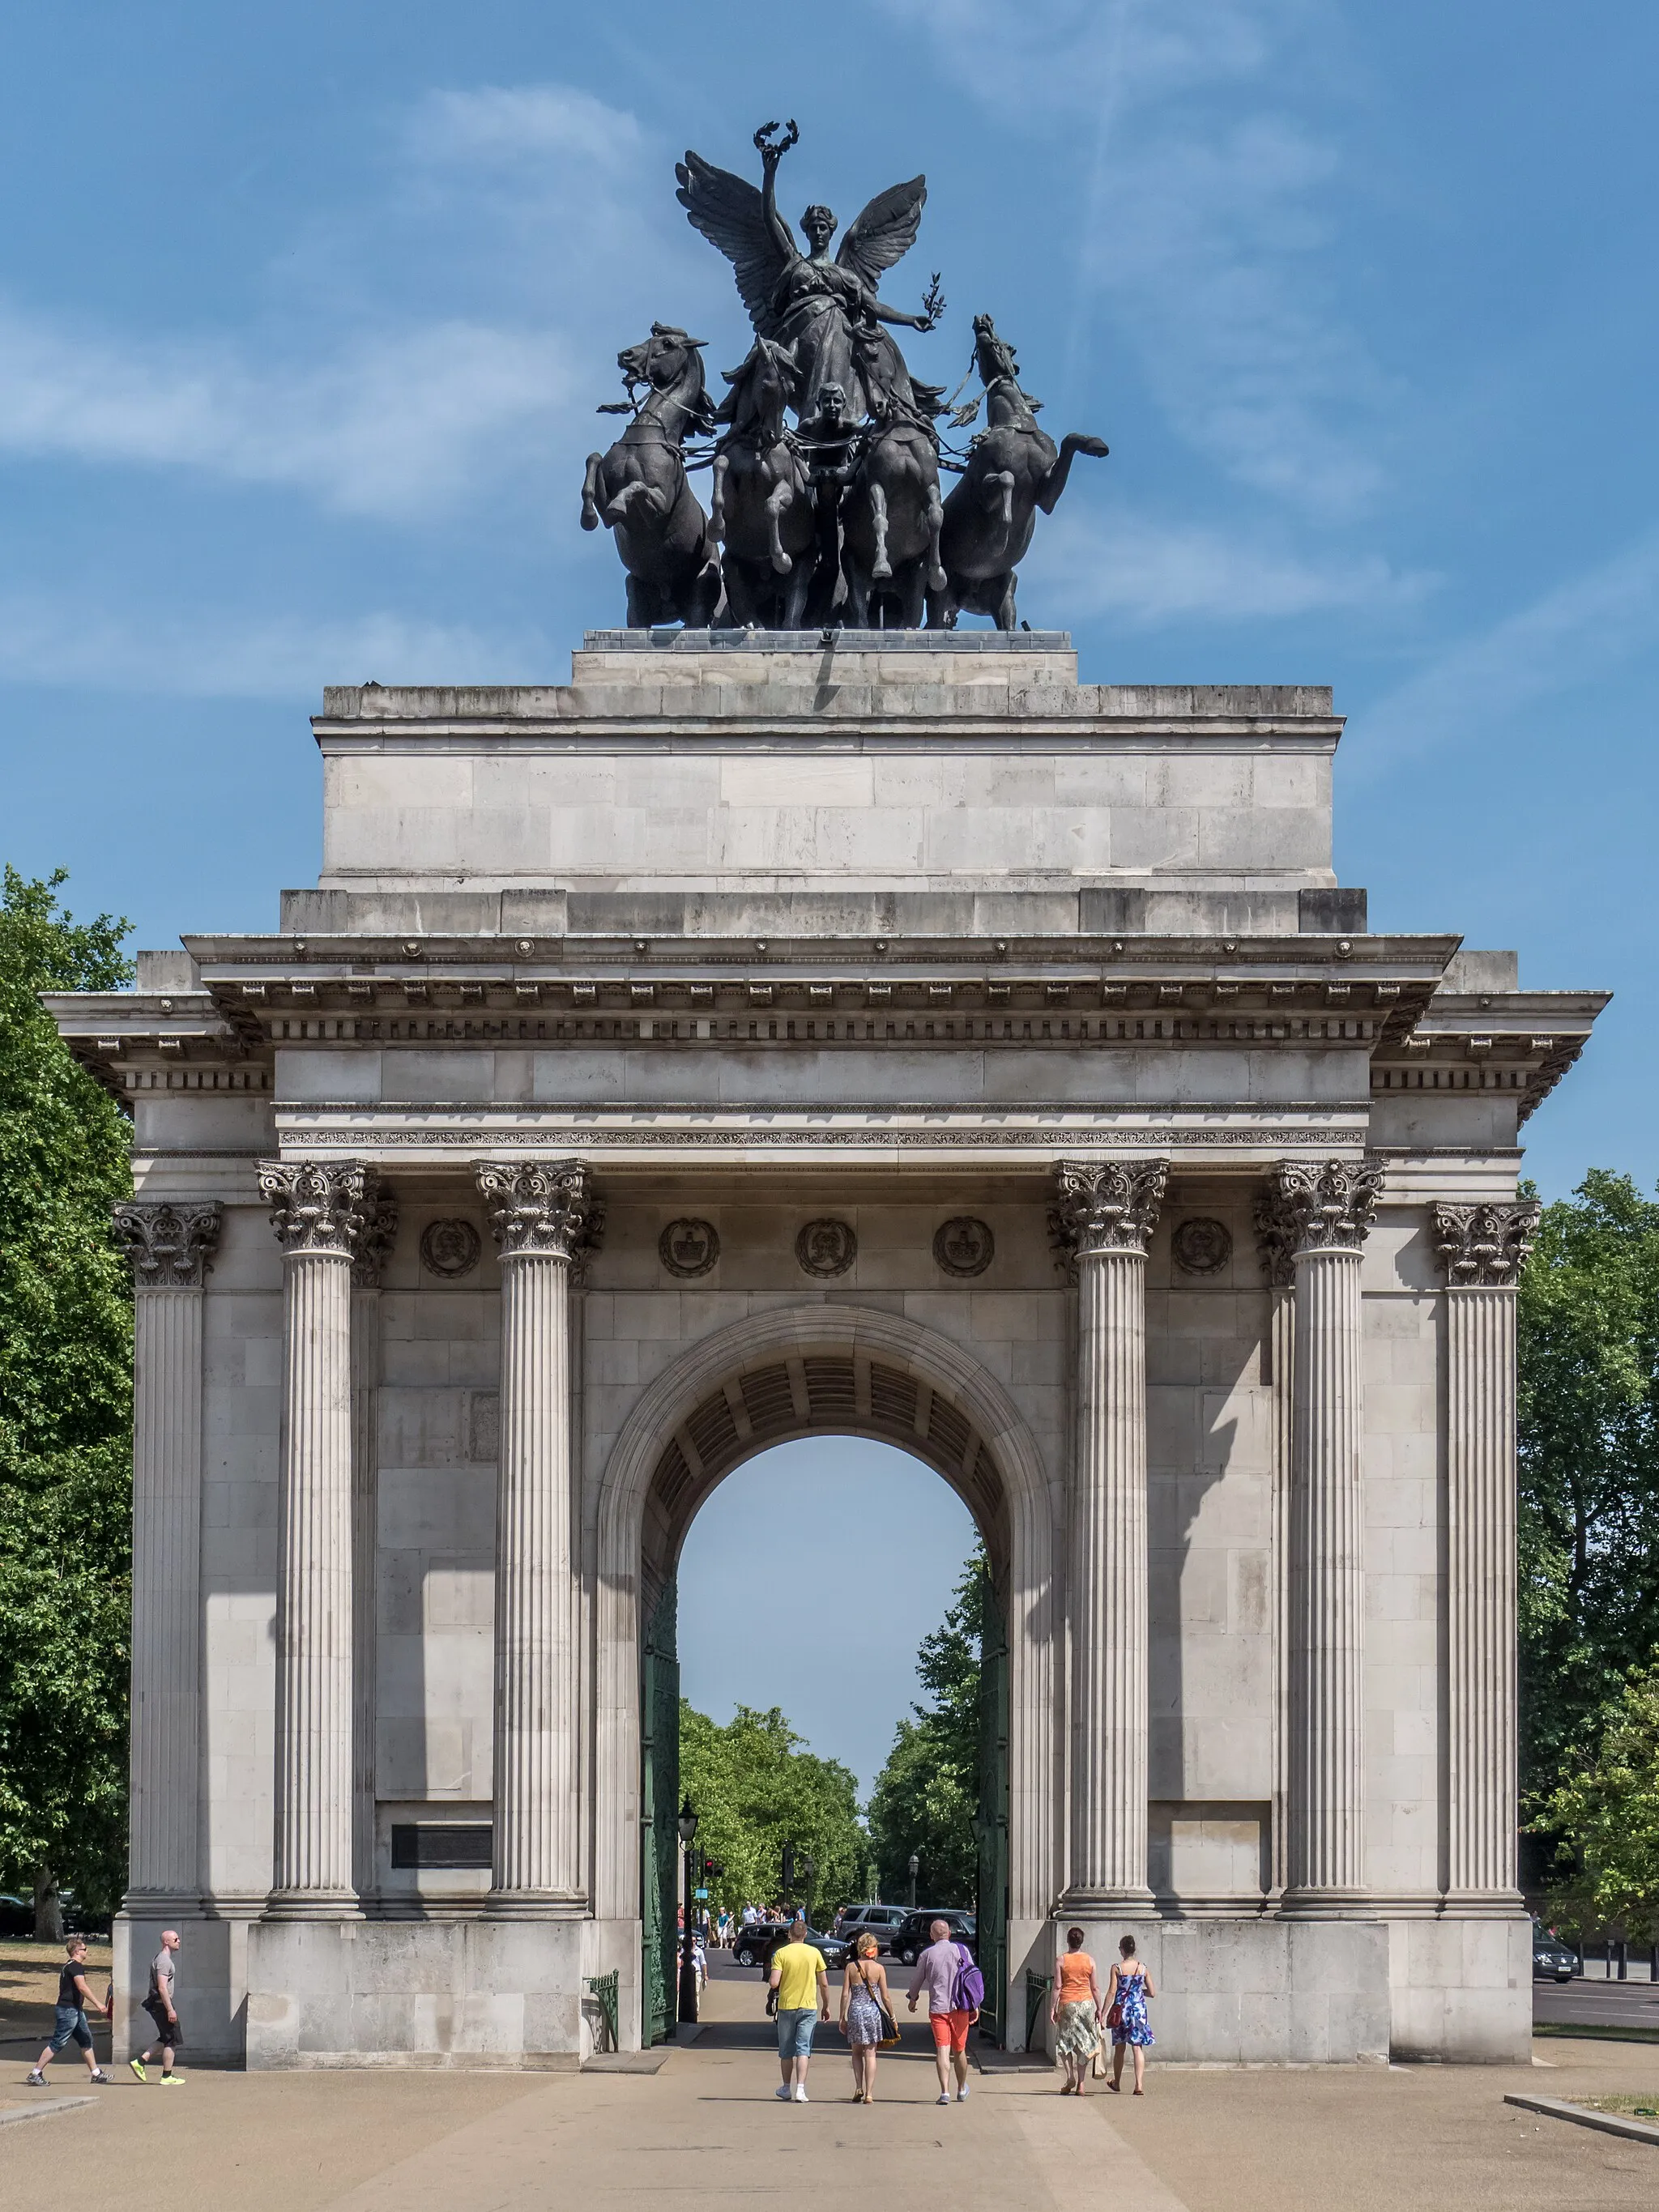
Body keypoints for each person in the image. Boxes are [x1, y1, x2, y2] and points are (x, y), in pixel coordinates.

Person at [906, 1916, 977, 2105]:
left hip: (938, 2008)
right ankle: (961, 2089)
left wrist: (913, 1999)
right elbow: (970, 1981)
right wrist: (975, 2005)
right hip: (960, 2007)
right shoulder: (962, 1951)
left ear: (931, 1935)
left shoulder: (927, 1955)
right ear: (950, 1934)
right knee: (960, 2050)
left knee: (942, 2050)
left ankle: (944, 2092)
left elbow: (917, 1980)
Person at [28, 1937, 113, 2087]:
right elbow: (82, 1987)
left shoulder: (69, 1966)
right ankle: (35, 2073)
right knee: (58, 2042)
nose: (87, 1952)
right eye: (85, 1949)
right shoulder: (75, 1966)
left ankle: (96, 2074)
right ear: (77, 1951)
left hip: (75, 2010)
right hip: (68, 2010)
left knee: (86, 2040)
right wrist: (99, 2004)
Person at [768, 1912, 829, 2103]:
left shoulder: (781, 1954)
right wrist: (826, 2005)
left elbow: (774, 1982)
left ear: (789, 1935)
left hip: (787, 2006)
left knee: (786, 2050)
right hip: (808, 2006)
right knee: (804, 2048)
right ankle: (801, 2089)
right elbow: (824, 1983)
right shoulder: (814, 1953)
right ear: (805, 1935)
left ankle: (786, 2087)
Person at [839, 1932, 892, 2104]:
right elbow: (885, 1997)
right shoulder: (879, 1969)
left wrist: (842, 2017)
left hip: (855, 2011)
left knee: (856, 2053)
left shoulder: (851, 1967)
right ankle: (869, 2093)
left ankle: (858, 2087)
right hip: (872, 2013)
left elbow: (845, 1994)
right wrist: (892, 2016)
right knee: (871, 2054)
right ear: (874, 1949)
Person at [1049, 1926, 1102, 2095]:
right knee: (1084, 2044)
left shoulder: (1061, 1960)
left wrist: (1052, 2008)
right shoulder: (1090, 1960)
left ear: (1068, 1941)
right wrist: (1099, 2009)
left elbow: (1057, 1986)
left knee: (1065, 2042)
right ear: (1082, 1941)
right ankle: (1081, 2084)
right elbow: (1095, 1988)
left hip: (1068, 2004)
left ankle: (1070, 2076)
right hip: (1086, 2004)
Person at [130, 1927, 185, 2084]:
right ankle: (166, 2076)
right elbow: (162, 1987)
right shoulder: (163, 1961)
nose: (179, 1941)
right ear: (166, 1942)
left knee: (166, 2036)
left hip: (160, 2003)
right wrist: (170, 2009)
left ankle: (141, 2061)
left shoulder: (163, 1959)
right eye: (175, 1939)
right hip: (161, 2004)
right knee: (172, 2039)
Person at [1105, 1934, 1156, 2095]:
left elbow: (1112, 1991)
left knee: (1120, 2047)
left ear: (1122, 1950)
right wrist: (1138, 1992)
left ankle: (1117, 2082)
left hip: (1122, 2009)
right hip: (1139, 2009)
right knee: (1137, 2047)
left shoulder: (1117, 1968)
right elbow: (1152, 1993)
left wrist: (1103, 2011)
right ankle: (1139, 2085)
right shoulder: (1143, 1968)